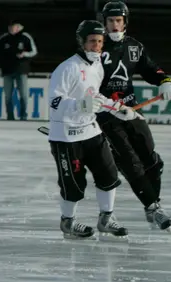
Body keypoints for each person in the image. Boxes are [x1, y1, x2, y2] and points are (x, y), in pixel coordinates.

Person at [97, 1, 171, 231]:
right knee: (130, 162)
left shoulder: (135, 47)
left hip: (132, 110)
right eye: (111, 21)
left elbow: (151, 69)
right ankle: (154, 208)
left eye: (118, 21)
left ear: (125, 22)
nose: (114, 25)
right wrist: (107, 105)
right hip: (106, 114)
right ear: (104, 22)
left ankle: (153, 208)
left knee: (152, 160)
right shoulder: (96, 47)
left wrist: (165, 80)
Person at [48, 20, 131, 239]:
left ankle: (106, 218)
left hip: (91, 131)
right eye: (93, 41)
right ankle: (68, 222)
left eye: (100, 42)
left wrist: (116, 108)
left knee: (108, 174)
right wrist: (78, 105)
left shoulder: (97, 66)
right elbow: (54, 103)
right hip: (66, 136)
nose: (97, 46)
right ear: (82, 42)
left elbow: (95, 96)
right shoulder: (67, 68)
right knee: (73, 184)